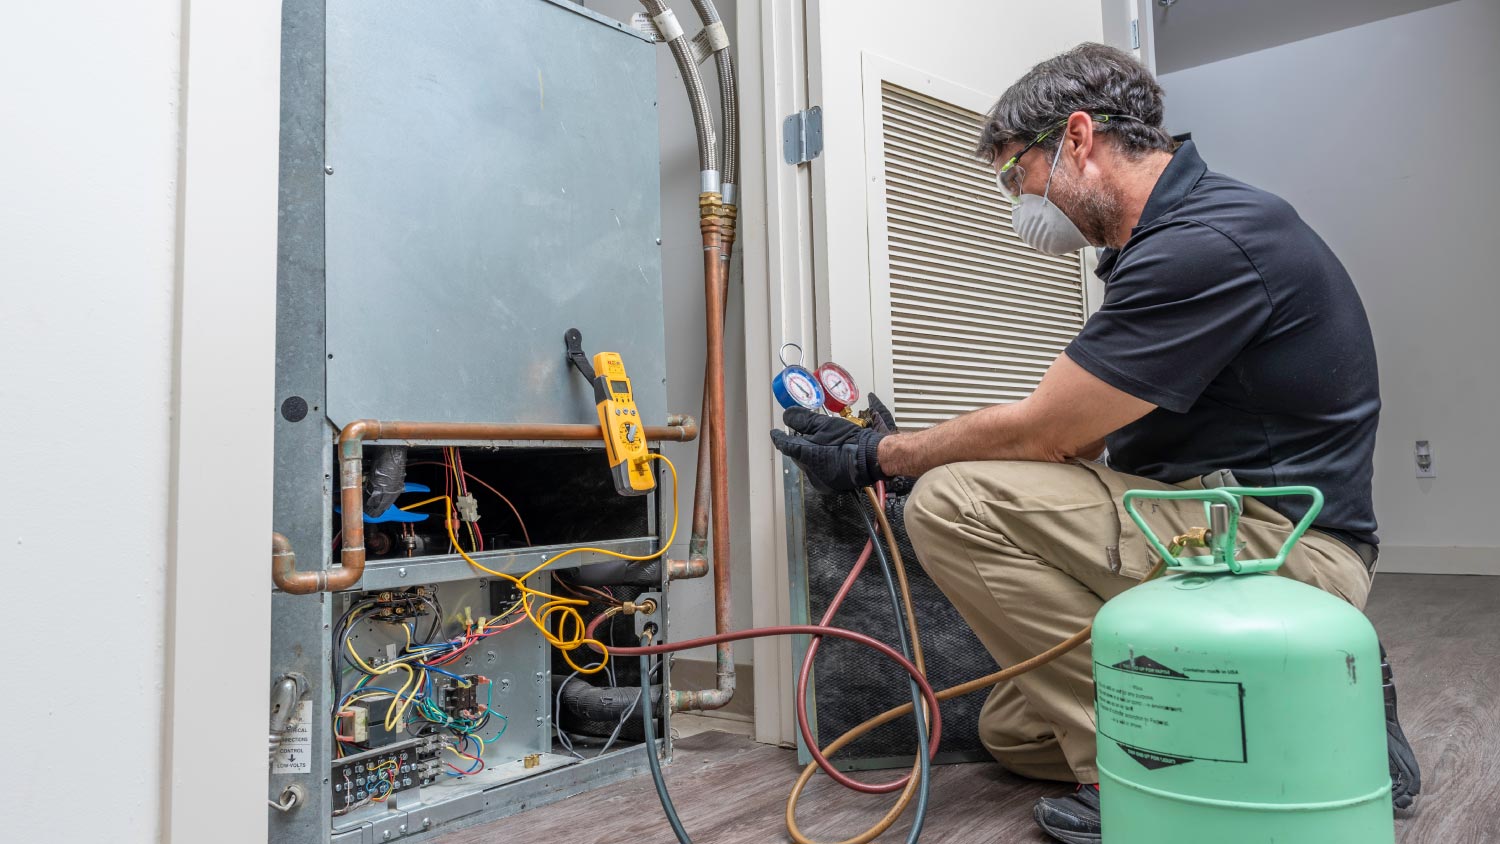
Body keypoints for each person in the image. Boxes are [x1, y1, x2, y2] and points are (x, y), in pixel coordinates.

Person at [769, 43, 1420, 843]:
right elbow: (1078, 445)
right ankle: (1303, 706)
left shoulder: (1207, 243)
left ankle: (1142, 768)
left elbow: (1048, 432)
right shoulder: (1165, 246)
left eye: (1017, 176)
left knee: (951, 503)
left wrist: (879, 457)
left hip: (1277, 551)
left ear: (1077, 137)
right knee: (1010, 729)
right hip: (1203, 528)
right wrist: (929, 446)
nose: (1018, 203)